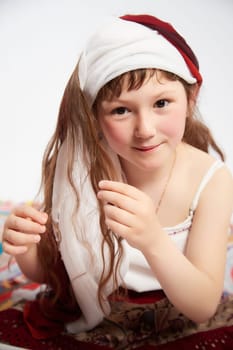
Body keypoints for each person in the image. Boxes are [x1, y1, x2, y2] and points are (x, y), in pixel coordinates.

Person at [2, 13, 233, 347]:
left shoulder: (211, 180)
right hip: (100, 316)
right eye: (121, 110)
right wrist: (25, 250)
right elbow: (57, 277)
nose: (145, 129)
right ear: (95, 116)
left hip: (179, 321)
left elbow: (202, 306)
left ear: (190, 99)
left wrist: (152, 240)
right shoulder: (83, 171)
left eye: (162, 103)